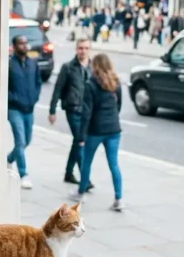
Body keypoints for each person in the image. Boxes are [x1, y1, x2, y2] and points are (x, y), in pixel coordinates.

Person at [72, 53, 124, 211]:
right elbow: (118, 105)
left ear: (95, 66)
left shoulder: (91, 84)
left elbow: (87, 113)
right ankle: (119, 198)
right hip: (114, 129)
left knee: (87, 161)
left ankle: (81, 193)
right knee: (114, 164)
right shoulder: (116, 82)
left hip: (96, 130)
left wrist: (81, 135)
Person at [49, 36, 94, 190]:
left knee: (77, 142)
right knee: (80, 142)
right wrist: (52, 110)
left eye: (86, 48)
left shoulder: (94, 67)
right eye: (81, 48)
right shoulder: (68, 67)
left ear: (90, 49)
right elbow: (58, 89)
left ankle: (68, 173)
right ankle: (85, 179)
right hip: (73, 109)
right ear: (76, 49)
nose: (83, 51)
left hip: (87, 112)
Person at [7, 34, 42, 189]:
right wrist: (13, 97)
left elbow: (38, 82)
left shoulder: (33, 63)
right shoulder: (9, 64)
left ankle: (9, 158)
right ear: (14, 47)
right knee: (20, 141)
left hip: (29, 108)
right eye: (21, 43)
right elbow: (3, 86)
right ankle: (23, 174)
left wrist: (34, 97)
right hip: (15, 109)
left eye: (26, 43)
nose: (25, 46)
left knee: (26, 140)